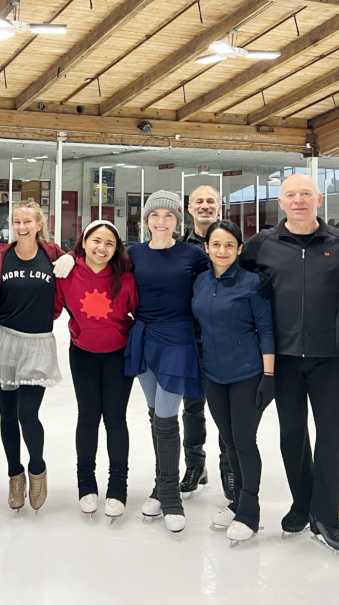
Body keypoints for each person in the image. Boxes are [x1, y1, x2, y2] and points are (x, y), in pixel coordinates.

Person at [239, 173, 339, 556]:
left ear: (319, 200)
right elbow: (237, 285)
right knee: (292, 435)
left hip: (328, 357)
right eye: (291, 195)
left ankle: (327, 516)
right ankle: (301, 504)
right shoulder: (262, 244)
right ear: (281, 202)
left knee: (330, 438)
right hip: (284, 359)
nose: (298, 200)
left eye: (305, 194)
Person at [125, 190, 209, 533]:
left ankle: (169, 495)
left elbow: (214, 287)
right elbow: (98, 266)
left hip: (177, 339)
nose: (161, 222)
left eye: (169, 216)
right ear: (146, 221)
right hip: (144, 337)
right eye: (155, 215)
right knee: (155, 414)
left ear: (178, 221)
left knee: (166, 415)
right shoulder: (133, 254)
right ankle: (163, 485)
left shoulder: (193, 254)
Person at [192, 219, 274, 546]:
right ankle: (237, 501)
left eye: (229, 245)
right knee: (227, 439)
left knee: (243, 441)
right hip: (213, 374)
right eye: (216, 245)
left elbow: (267, 331)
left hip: (247, 373)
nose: (222, 250)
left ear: (239, 249)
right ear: (206, 248)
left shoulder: (253, 284)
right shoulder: (199, 282)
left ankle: (250, 510)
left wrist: (268, 376)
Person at [54, 219, 137, 521]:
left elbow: (141, 313)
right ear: (84, 242)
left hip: (118, 356)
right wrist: (60, 256)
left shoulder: (126, 279)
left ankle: (118, 487)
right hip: (83, 354)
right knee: (88, 418)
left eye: (109, 243)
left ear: (116, 250)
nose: (101, 248)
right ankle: (86, 485)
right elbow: (50, 306)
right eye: (96, 241)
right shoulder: (68, 273)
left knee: (115, 419)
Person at [0, 201, 65, 515]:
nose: (21, 227)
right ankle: (14, 474)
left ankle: (37, 468)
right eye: (17, 221)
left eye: (27, 221)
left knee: (26, 413)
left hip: (38, 344)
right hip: (6, 340)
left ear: (38, 224)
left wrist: (73, 260)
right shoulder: (0, 255)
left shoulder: (53, 254)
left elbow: (85, 266)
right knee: (7, 415)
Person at [181, 185, 232, 500]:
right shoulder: (179, 247)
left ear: (219, 207)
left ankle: (229, 465)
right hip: (189, 338)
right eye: (198, 201)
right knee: (192, 407)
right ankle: (195, 465)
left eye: (210, 201)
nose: (204, 205)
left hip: (224, 339)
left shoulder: (230, 242)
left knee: (226, 408)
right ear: (189, 208)